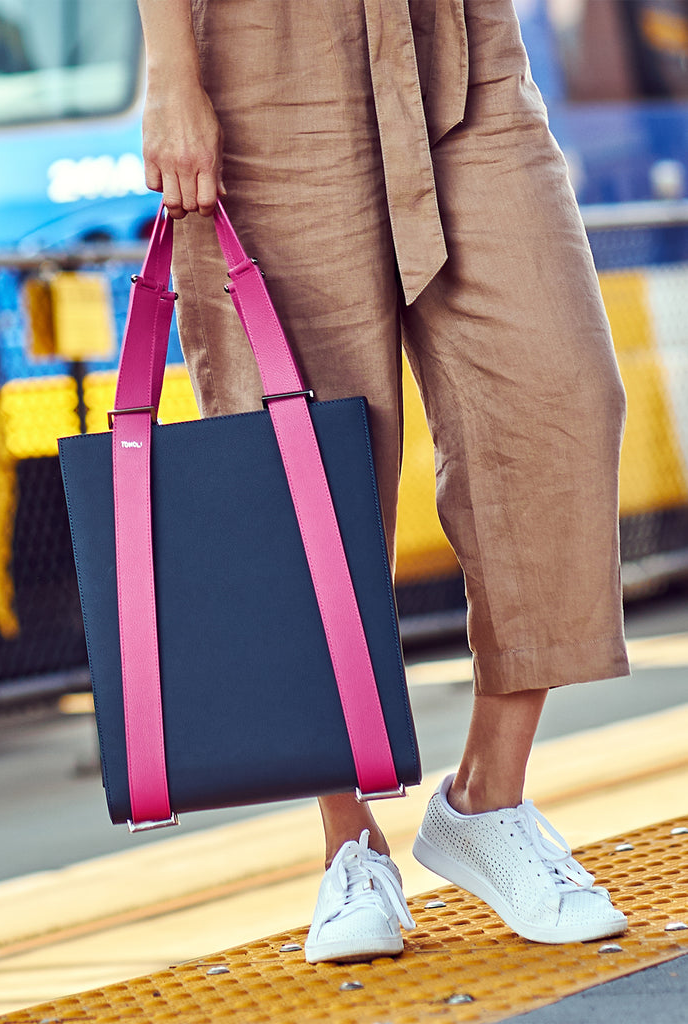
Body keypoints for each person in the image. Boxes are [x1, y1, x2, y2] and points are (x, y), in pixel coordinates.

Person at [136, 0, 631, 962]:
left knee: (561, 391)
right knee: (296, 454)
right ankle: (347, 839)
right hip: (259, 57)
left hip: (461, 43)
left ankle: (487, 799)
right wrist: (171, 76)